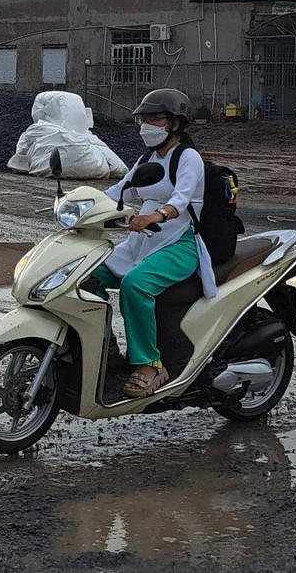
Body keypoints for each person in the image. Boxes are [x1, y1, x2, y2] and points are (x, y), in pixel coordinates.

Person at [89, 88, 216, 398]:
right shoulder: (147, 158)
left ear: (174, 124)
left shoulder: (188, 158)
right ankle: (106, 349)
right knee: (87, 276)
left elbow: (182, 199)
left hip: (180, 242)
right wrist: (80, 205)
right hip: (144, 241)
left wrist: (155, 215)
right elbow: (121, 191)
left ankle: (151, 364)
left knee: (136, 285)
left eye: (155, 119)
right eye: (143, 119)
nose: (147, 125)